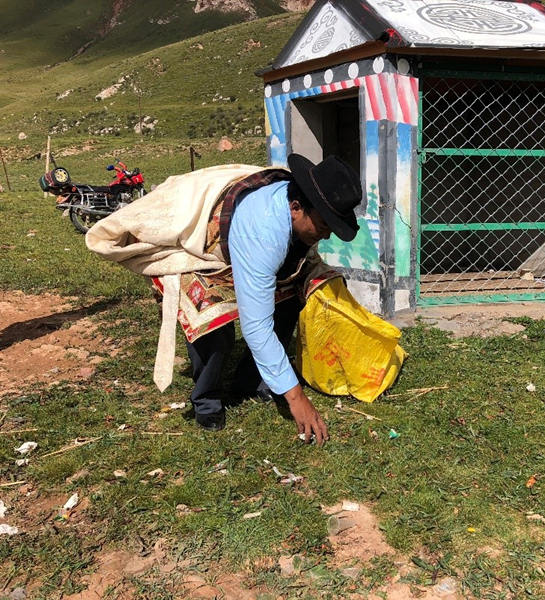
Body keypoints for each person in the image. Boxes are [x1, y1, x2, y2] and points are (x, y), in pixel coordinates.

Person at [86, 154, 362, 445]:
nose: (327, 235)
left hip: (242, 244)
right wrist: (296, 398)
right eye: (323, 225)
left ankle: (251, 381)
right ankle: (207, 399)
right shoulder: (265, 232)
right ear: (296, 207)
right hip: (193, 248)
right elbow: (256, 326)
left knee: (293, 294)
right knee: (209, 315)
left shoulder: (291, 211)